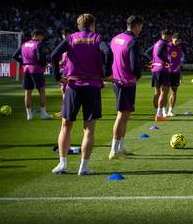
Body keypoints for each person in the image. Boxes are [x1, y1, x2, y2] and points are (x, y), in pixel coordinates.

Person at [49, 13, 111, 176]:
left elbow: (54, 55)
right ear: (93, 24)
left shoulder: (71, 38)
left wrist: (56, 76)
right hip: (92, 86)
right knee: (89, 129)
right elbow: (108, 52)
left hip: (73, 86)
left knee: (65, 127)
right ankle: (83, 167)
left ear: (78, 25)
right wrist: (106, 71)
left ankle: (62, 164)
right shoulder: (97, 38)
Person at [107, 15, 145, 160]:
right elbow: (134, 64)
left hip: (117, 79)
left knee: (125, 115)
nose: (141, 29)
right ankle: (114, 150)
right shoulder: (133, 41)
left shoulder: (115, 38)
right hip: (126, 81)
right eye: (141, 26)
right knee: (121, 115)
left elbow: (109, 57)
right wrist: (138, 75)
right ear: (136, 25)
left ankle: (120, 147)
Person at [15, 29, 52, 120]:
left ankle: (29, 115)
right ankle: (43, 114)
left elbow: (14, 56)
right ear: (37, 35)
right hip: (37, 70)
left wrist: (24, 62)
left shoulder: (24, 44)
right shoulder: (38, 45)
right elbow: (40, 58)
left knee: (27, 92)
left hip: (26, 70)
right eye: (41, 36)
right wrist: (44, 65)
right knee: (42, 91)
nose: (42, 39)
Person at [150, 29, 174, 121]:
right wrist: (167, 61)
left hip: (155, 69)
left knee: (157, 93)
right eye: (171, 36)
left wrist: (153, 60)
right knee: (164, 92)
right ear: (166, 35)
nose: (171, 38)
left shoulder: (156, 43)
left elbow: (148, 52)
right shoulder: (164, 43)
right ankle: (159, 115)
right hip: (162, 70)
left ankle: (156, 112)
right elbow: (159, 53)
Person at [165, 35, 183, 116]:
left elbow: (179, 63)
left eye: (178, 41)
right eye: (176, 41)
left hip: (176, 73)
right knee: (164, 92)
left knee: (174, 92)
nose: (177, 42)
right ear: (172, 39)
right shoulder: (167, 46)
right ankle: (163, 111)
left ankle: (170, 110)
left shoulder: (179, 48)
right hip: (167, 72)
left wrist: (180, 75)